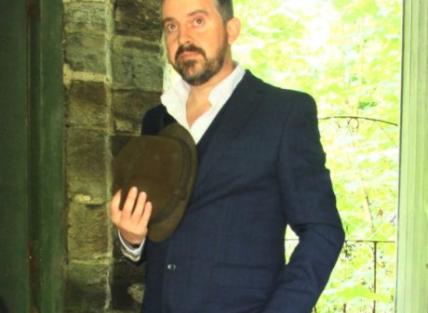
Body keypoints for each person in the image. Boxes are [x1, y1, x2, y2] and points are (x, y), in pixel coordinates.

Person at [110, 0, 345, 312]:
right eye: (171, 26)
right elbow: (164, 235)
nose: (183, 38)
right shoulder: (157, 121)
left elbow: (323, 231)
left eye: (197, 21)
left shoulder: (283, 114)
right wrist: (132, 239)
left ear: (231, 30)